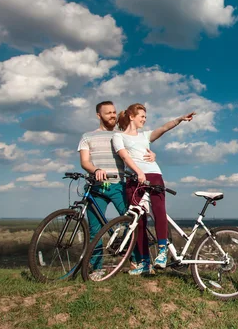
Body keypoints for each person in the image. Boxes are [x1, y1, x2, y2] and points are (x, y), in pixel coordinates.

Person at [112, 103, 195, 275]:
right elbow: (124, 156)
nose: (144, 119)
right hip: (136, 178)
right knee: (138, 221)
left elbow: (164, 128)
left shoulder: (145, 136)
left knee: (159, 212)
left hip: (154, 175)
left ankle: (162, 253)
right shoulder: (119, 137)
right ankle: (144, 263)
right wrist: (138, 172)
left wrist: (179, 119)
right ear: (131, 116)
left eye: (145, 117)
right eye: (141, 116)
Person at [78, 100, 156, 278]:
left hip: (120, 185)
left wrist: (152, 154)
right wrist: (96, 170)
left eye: (114, 112)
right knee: (95, 230)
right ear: (99, 115)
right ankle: (96, 268)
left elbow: (139, 149)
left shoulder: (122, 135)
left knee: (133, 223)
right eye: (108, 113)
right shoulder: (87, 137)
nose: (113, 115)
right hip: (97, 187)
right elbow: (84, 162)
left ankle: (139, 263)